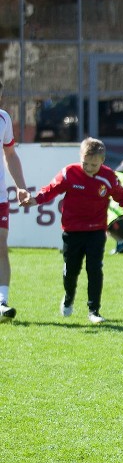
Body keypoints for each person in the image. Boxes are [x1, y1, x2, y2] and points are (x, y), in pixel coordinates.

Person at [24, 138, 123, 324]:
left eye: (94, 164)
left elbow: (121, 194)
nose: (89, 168)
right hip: (72, 230)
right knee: (71, 270)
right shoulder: (70, 173)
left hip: (96, 230)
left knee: (94, 269)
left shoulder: (108, 177)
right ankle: (69, 298)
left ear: (102, 161)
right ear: (80, 158)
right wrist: (35, 199)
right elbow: (51, 190)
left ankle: (94, 311)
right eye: (85, 163)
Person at [0, 79, 30, 323]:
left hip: (0, 196)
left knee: (1, 246)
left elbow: (9, 154)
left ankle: (2, 302)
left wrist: (21, 186)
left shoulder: (4, 119)